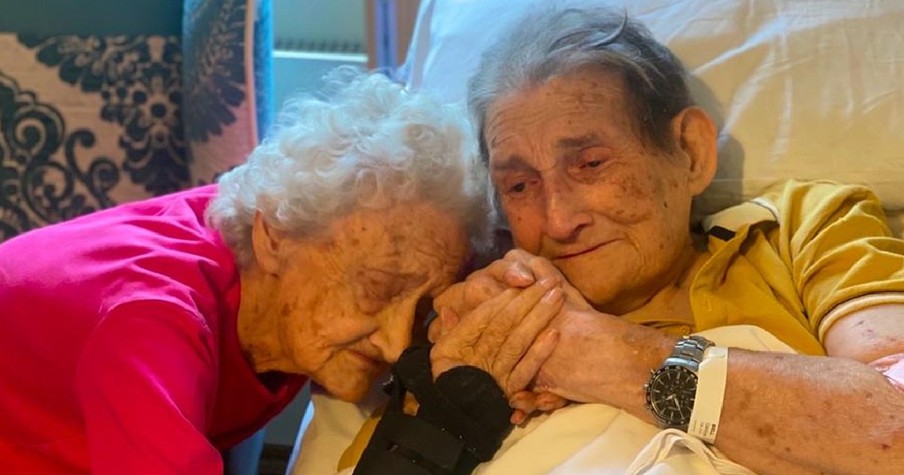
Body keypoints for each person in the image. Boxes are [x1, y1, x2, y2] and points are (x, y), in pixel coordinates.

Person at [419, 5, 904, 474]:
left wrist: (596, 353)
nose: (559, 220)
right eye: (520, 186)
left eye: (590, 164)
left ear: (690, 152)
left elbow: (895, 420)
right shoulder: (486, 319)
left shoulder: (796, 228)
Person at [0, 68, 503, 474]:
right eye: (376, 289)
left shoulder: (270, 240)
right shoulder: (150, 322)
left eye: (420, 308)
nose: (397, 347)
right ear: (273, 236)